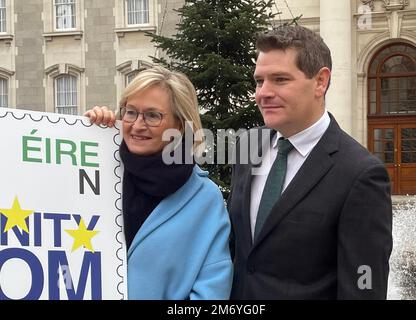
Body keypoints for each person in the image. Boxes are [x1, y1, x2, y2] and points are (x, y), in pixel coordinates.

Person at [228, 25, 392, 299]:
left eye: (280, 79)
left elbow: (364, 288)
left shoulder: (361, 174)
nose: (263, 93)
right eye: (259, 81)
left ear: (320, 82)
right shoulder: (247, 146)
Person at [84, 66, 233, 300]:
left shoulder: (205, 198)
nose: (137, 125)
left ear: (179, 126)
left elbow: (211, 289)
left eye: (153, 115)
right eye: (130, 112)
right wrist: (83, 134)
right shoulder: (96, 170)